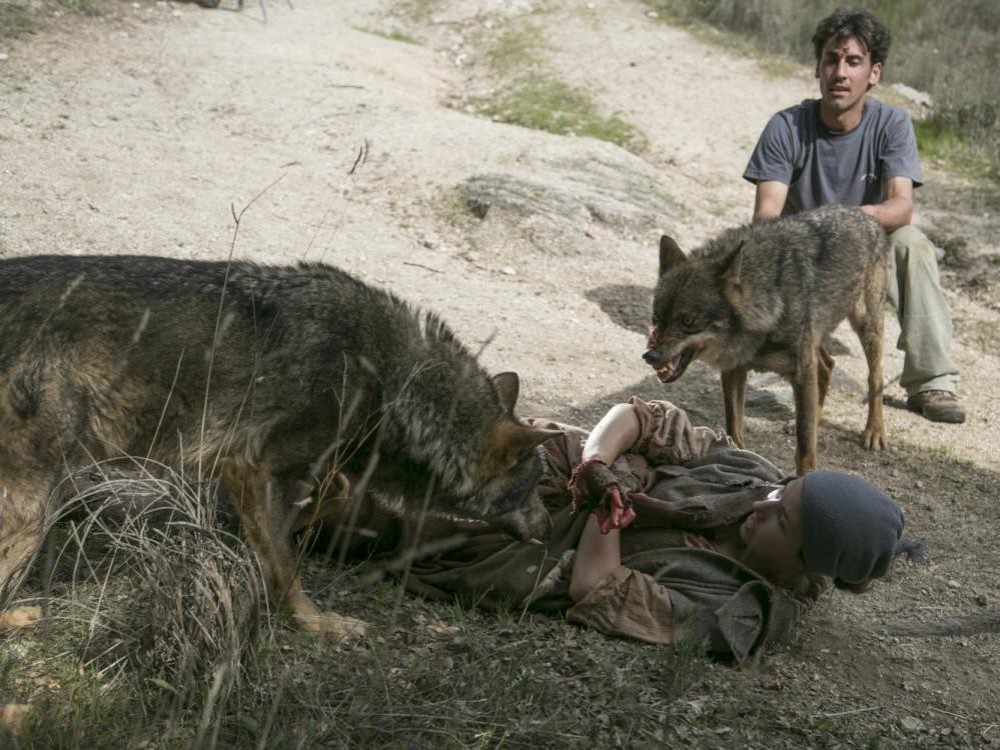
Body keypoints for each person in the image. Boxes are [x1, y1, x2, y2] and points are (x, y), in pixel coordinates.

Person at [327, 397, 906, 661]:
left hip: (528, 545)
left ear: (802, 562)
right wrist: (598, 465)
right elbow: (641, 417)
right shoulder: (750, 474)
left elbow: (596, 586)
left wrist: (607, 507)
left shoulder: (739, 612)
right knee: (422, 427)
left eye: (782, 517)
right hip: (558, 467)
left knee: (378, 510)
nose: (764, 501)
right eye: (784, 490)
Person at [742, 8, 965, 424]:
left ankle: (932, 380)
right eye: (831, 59)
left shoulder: (892, 123)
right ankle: (771, 355)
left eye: (853, 61)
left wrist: (849, 223)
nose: (840, 73)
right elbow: (766, 218)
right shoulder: (786, 127)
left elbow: (901, 206)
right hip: (804, 253)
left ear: (874, 73)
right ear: (818, 68)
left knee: (913, 245)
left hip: (868, 241)